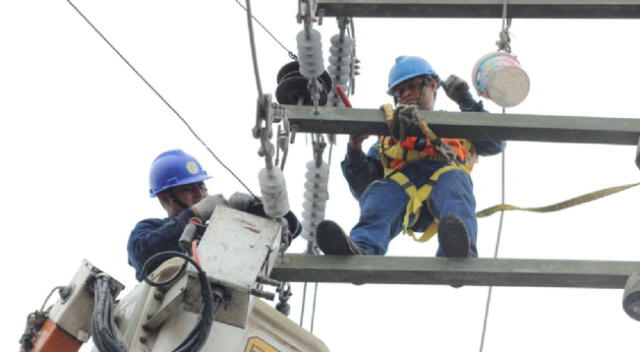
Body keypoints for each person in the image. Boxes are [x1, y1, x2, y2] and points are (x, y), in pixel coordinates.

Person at [316, 56, 504, 258]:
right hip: (403, 196)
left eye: (412, 87)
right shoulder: (389, 138)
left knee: (455, 181)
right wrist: (355, 148)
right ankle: (363, 248)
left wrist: (465, 100)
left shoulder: (455, 126)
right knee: (380, 191)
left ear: (432, 85)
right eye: (399, 92)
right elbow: (363, 187)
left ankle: (459, 251)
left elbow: (494, 144)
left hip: (445, 197)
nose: (405, 95)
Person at [127, 149, 301, 281]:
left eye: (202, 187)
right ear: (165, 198)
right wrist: (195, 213)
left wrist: (259, 210)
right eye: (188, 189)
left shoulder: (216, 234)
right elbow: (144, 255)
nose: (200, 194)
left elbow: (292, 226)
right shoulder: (149, 228)